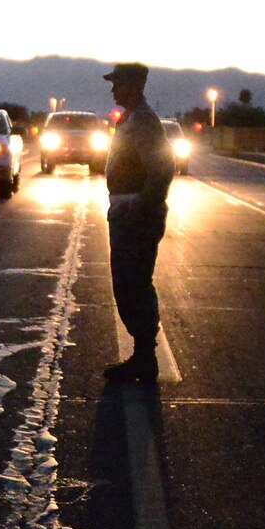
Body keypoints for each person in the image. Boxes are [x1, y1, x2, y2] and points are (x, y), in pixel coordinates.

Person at [102, 63, 177, 383]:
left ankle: (145, 357)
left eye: (117, 83)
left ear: (134, 85)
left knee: (133, 282)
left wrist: (140, 208)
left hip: (136, 214)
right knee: (128, 282)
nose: (113, 88)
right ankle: (142, 354)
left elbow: (163, 168)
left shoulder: (143, 121)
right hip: (127, 210)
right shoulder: (133, 119)